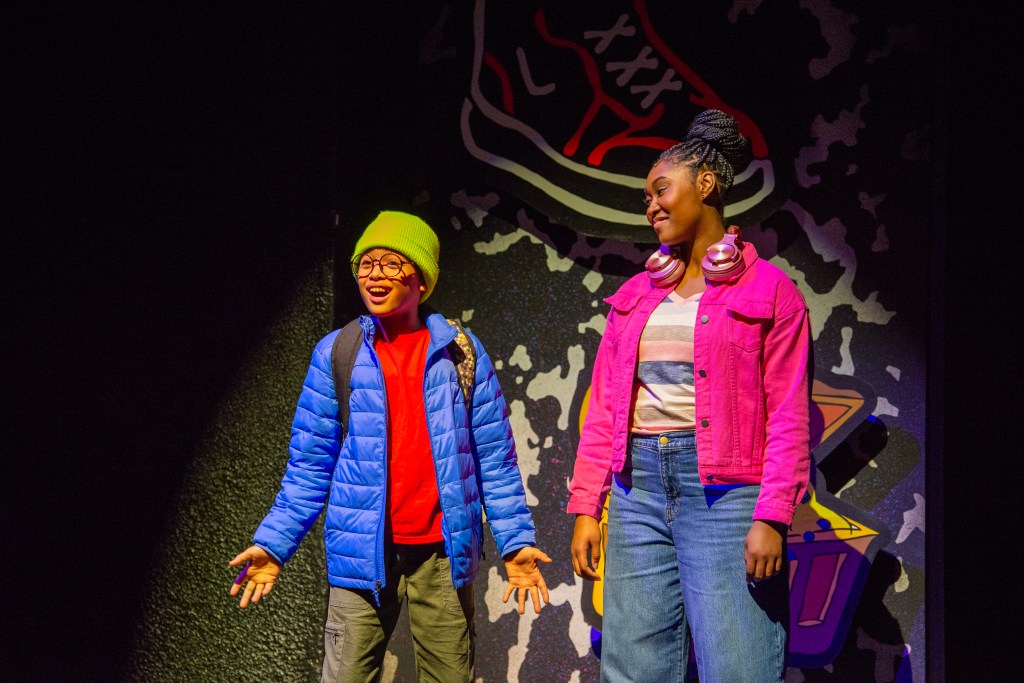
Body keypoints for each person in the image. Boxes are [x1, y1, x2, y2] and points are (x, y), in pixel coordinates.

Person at [229, 210, 552, 683]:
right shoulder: (337, 352)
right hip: (362, 553)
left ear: (420, 278)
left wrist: (516, 542)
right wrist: (273, 544)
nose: (375, 275)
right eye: (366, 264)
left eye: (391, 263)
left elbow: (494, 460)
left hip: (442, 554)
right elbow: (309, 467)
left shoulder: (460, 350)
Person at [568, 109, 812, 682]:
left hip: (727, 496)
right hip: (637, 492)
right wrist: (586, 505)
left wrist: (773, 516)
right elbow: (606, 408)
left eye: (660, 190)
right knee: (633, 670)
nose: (651, 206)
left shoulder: (771, 290)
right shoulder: (635, 296)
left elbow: (789, 414)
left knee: (740, 668)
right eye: (646, 198)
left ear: (705, 185)